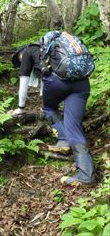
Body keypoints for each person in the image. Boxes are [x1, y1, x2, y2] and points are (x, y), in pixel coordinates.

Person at [10, 38, 95, 186]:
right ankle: (86, 175)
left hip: (58, 83)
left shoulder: (28, 51)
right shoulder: (52, 52)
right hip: (82, 83)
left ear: (21, 52)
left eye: (19, 58)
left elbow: (24, 84)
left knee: (48, 108)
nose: (21, 60)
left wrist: (20, 108)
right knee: (73, 126)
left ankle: (63, 140)